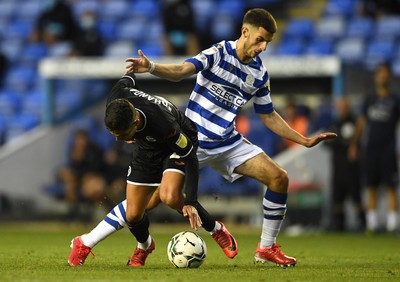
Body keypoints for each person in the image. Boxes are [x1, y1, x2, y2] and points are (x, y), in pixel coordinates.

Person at [68, 71, 238, 267]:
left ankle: (216, 229)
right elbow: (128, 79)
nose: (117, 139)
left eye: (122, 134)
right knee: (133, 214)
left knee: (170, 196)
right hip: (147, 147)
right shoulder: (116, 99)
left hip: (177, 145)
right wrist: (135, 68)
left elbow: (189, 156)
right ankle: (144, 246)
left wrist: (190, 200)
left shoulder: (164, 125)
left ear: (136, 123)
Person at [349, 62, 399, 233]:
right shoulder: (369, 99)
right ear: (376, 77)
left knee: (391, 186)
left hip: (389, 149)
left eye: (385, 73)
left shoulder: (395, 100)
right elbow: (362, 123)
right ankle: (372, 223)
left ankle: (393, 225)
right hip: (371, 149)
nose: (383, 76)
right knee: (371, 186)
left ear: (389, 77)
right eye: (380, 73)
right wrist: (354, 144)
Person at [325, 98, 365, 231]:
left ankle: (363, 224)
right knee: (338, 199)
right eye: (339, 107)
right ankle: (339, 226)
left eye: (343, 106)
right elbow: (326, 142)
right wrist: (341, 143)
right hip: (338, 166)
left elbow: (356, 141)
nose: (341, 109)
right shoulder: (334, 124)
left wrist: (341, 143)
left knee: (356, 197)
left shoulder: (354, 122)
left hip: (352, 167)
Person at [58, 128, 109, 220]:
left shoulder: (95, 150)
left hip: (94, 178)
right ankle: (74, 212)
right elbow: (73, 168)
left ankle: (99, 212)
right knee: (69, 182)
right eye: (78, 139)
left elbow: (97, 168)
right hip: (79, 179)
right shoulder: (75, 151)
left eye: (82, 139)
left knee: (94, 188)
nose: (80, 142)